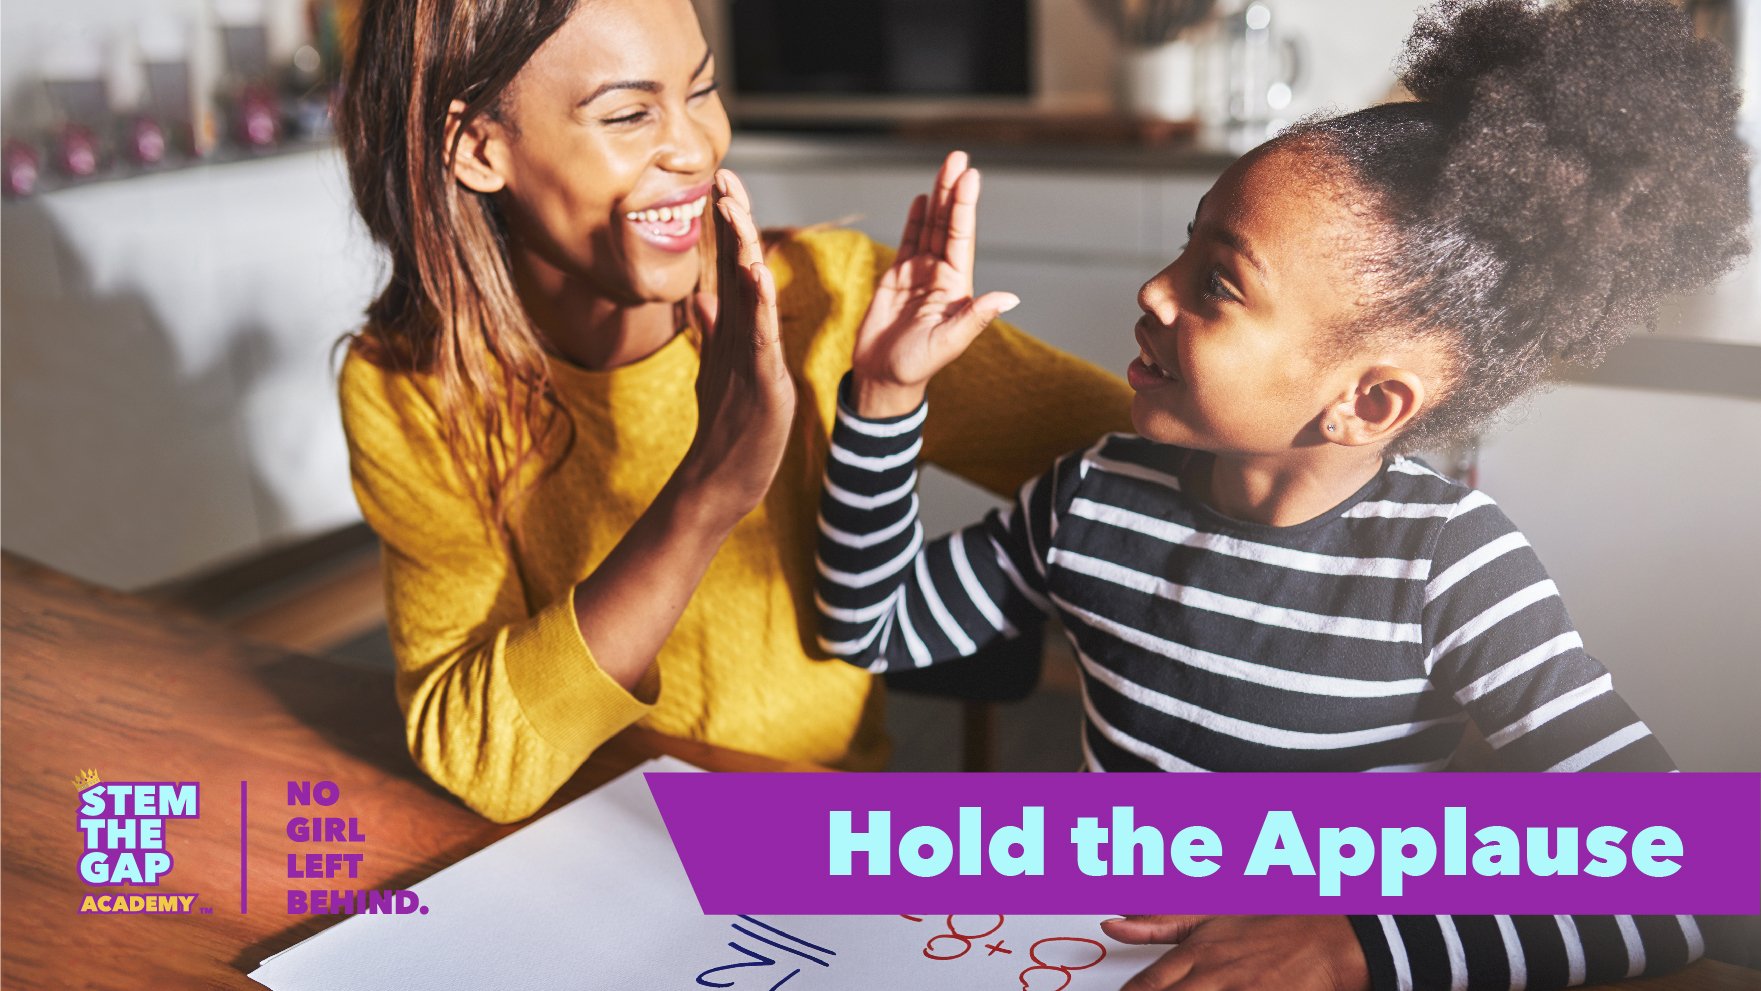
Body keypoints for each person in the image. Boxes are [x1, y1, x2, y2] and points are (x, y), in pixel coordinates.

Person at [811, 0, 1750, 988]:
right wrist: (884, 397)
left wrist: (1354, 944)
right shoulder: (1091, 496)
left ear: (1367, 400)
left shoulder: (1448, 565)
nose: (1154, 290)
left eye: (1217, 281)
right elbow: (872, 628)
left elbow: (1685, 869)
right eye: (1186, 244)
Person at [332, 0, 1131, 825]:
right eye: (629, 112)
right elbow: (481, 759)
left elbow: (1187, 466)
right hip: (579, 841)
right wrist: (706, 494)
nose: (694, 148)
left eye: (702, 91)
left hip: (810, 840)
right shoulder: (411, 385)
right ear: (477, 147)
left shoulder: (836, 300)